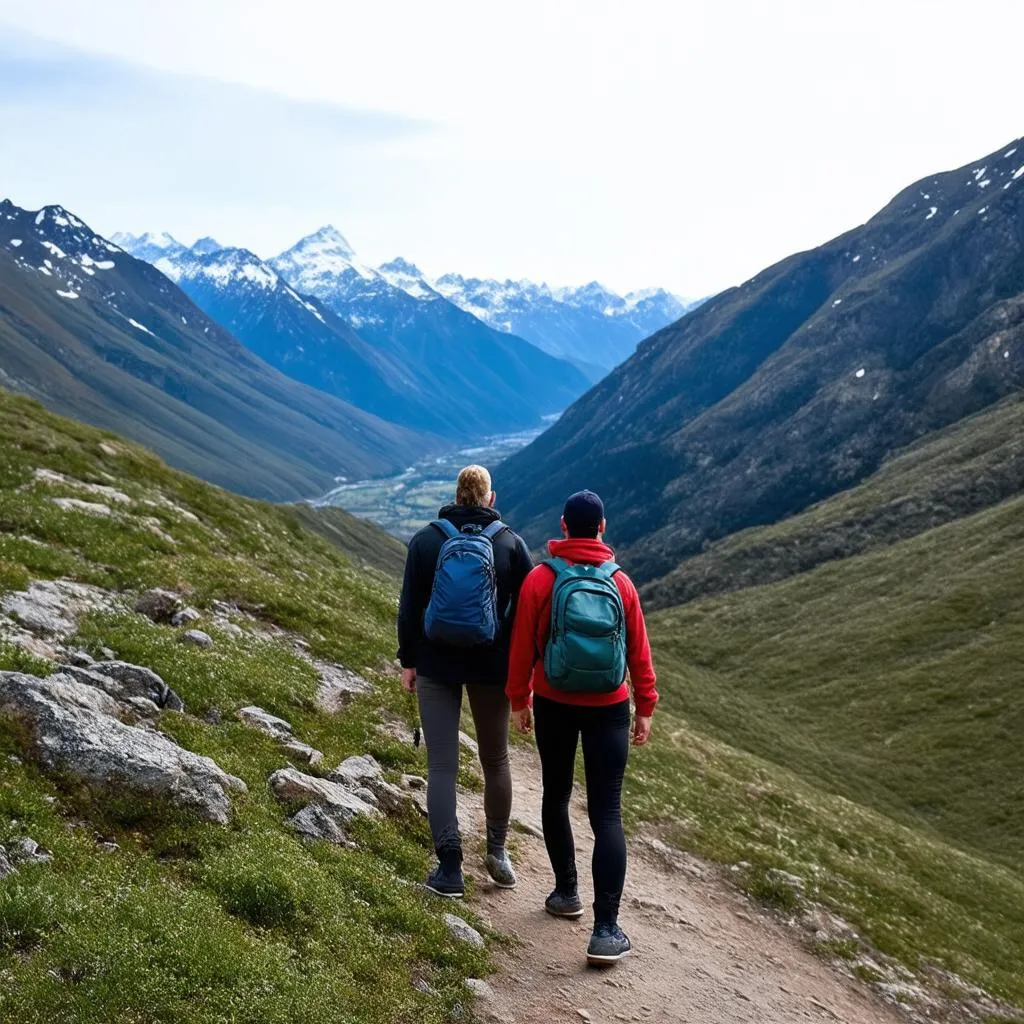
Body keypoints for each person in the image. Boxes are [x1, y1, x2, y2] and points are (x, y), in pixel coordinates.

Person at [506, 489, 658, 965]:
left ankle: (566, 893)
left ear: (563, 525)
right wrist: (646, 705)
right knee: (607, 813)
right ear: (603, 528)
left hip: (553, 699)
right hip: (610, 705)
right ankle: (607, 930)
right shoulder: (622, 583)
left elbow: (522, 648)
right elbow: (638, 652)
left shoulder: (540, 579)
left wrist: (518, 699)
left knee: (555, 794)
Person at [398, 464, 533, 897]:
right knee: (495, 760)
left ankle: (450, 869)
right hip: (492, 668)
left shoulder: (426, 540)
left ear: (457, 496)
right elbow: (526, 614)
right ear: (490, 499)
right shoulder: (510, 544)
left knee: (442, 764)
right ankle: (496, 851)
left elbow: (409, 607)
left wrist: (408, 661)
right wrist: (514, 663)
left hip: (436, 664)